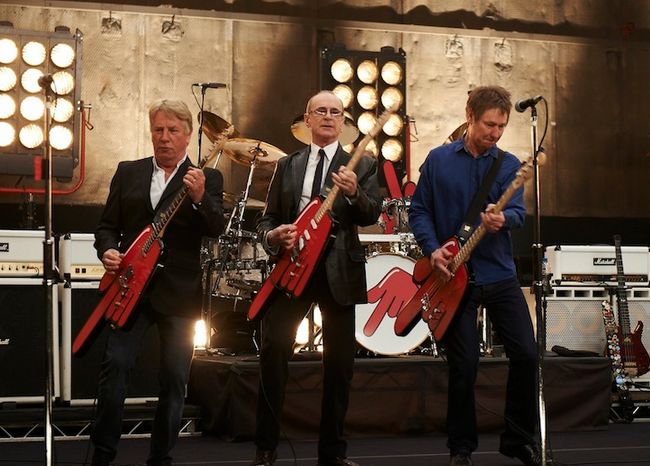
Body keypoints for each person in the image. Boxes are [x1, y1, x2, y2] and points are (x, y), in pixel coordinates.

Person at [408, 86, 541, 466]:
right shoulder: (438, 160)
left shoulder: (509, 164)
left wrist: (503, 219)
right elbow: (419, 211)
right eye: (488, 124)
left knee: (527, 354)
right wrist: (432, 249)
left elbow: (518, 213)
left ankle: (518, 439)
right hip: (452, 276)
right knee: (464, 363)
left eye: (501, 126)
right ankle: (461, 447)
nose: (495, 133)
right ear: (470, 115)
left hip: (498, 273)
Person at [90, 98, 225, 466]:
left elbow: (216, 228)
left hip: (179, 293)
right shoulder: (128, 172)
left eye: (173, 130)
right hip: (130, 288)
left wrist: (200, 198)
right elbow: (107, 227)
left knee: (175, 378)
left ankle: (161, 458)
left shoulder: (207, 178)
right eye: (158, 130)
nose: (164, 137)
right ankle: (102, 454)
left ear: (188, 135)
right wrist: (108, 250)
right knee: (115, 367)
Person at [251, 90, 382, 466]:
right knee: (274, 350)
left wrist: (354, 193)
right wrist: (272, 237)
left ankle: (332, 453)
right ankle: (265, 448)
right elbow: (267, 219)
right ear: (306, 120)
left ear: (343, 122)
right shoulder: (287, 165)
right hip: (292, 267)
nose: (328, 117)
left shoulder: (362, 164)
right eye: (320, 111)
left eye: (335, 112)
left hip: (339, 272)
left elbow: (371, 213)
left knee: (339, 366)